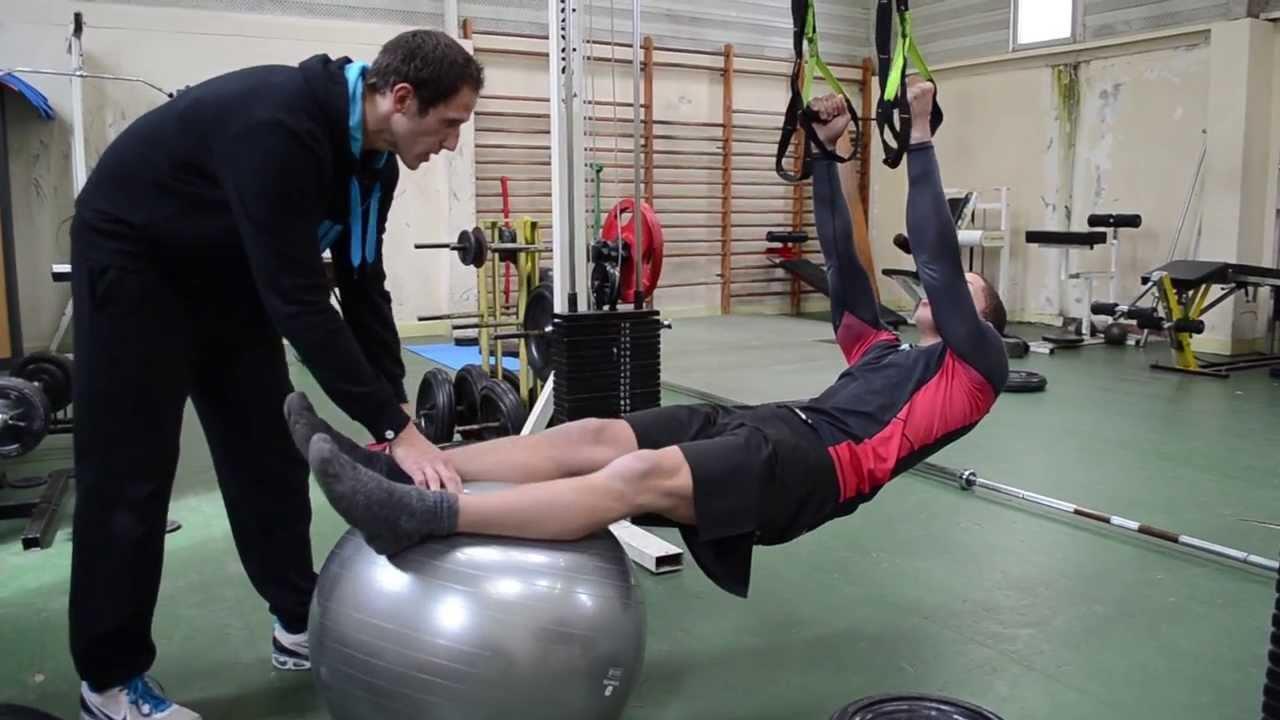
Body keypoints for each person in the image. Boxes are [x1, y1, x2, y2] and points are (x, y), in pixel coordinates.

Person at [287, 78, 1007, 605]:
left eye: (974, 299)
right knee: (597, 434)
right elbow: (845, 263)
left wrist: (918, 138)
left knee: (633, 481)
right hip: (771, 422)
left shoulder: (976, 372)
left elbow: (943, 269)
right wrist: (826, 153)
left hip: (813, 469)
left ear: (986, 322)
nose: (953, 296)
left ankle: (423, 515)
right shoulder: (884, 353)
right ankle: (399, 465)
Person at [69, 29, 482, 720]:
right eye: (449, 124)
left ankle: (298, 622)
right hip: (138, 263)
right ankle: (108, 683)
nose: (451, 144)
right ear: (402, 98)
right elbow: (297, 301)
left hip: (227, 275)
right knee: (130, 475)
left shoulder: (373, 161)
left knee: (267, 455)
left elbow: (361, 284)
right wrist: (392, 426)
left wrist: (393, 417)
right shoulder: (280, 126)